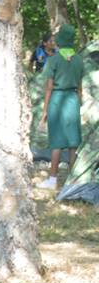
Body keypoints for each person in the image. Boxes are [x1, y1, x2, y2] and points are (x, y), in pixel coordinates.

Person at [37, 24, 83, 190]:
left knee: (56, 142)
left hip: (57, 100)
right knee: (73, 143)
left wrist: (45, 110)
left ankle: (52, 180)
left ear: (61, 40)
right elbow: (80, 87)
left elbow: (49, 87)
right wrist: (78, 103)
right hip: (73, 100)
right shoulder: (79, 60)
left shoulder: (53, 60)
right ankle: (74, 181)